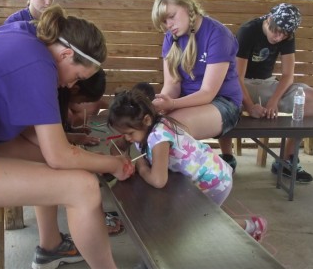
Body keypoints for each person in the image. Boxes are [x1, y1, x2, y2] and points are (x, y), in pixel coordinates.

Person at [0, 4, 135, 269]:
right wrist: (114, 164)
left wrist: (76, 152)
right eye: (77, 76)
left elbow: (37, 137)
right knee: (84, 187)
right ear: (67, 54)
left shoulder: (25, 36)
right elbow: (59, 156)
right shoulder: (38, 63)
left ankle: (50, 247)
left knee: (56, 165)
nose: (70, 85)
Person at [107, 89, 267, 242]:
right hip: (200, 178)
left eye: (130, 134)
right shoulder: (141, 128)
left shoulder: (159, 137)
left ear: (147, 120)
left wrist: (141, 167)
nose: (127, 138)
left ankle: (251, 226)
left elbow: (158, 180)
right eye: (124, 134)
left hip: (213, 180)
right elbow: (116, 146)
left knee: (198, 223)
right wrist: (122, 158)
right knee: (191, 221)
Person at [150, 0, 242, 172]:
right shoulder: (171, 38)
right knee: (151, 122)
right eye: (164, 20)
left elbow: (208, 93)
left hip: (223, 103)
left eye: (172, 16)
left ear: (187, 7)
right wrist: (160, 103)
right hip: (186, 101)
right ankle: (163, 176)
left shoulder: (218, 34)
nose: (168, 24)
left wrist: (173, 104)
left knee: (169, 130)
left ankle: (210, 174)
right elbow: (172, 84)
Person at [222, 3, 313, 183]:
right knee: (222, 98)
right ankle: (227, 157)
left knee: (312, 98)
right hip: (241, 83)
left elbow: (288, 75)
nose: (279, 37)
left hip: (267, 83)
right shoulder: (248, 30)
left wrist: (273, 102)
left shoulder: (287, 36)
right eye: (276, 31)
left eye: (284, 34)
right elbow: (236, 76)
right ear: (269, 19)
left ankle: (286, 160)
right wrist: (249, 105)